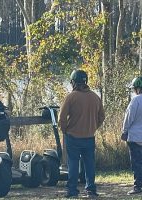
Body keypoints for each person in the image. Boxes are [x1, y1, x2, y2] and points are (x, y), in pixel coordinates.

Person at [58, 69, 105, 198]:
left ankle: (72, 190)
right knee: (89, 164)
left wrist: (65, 130)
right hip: (89, 136)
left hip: (73, 136)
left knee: (73, 163)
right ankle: (91, 189)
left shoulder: (71, 97)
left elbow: (61, 118)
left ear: (73, 82)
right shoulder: (95, 97)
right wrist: (94, 127)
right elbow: (102, 116)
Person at [121, 76, 142, 195]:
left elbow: (128, 118)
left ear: (138, 88)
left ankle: (138, 186)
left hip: (135, 137)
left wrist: (124, 131)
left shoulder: (136, 100)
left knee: (137, 162)